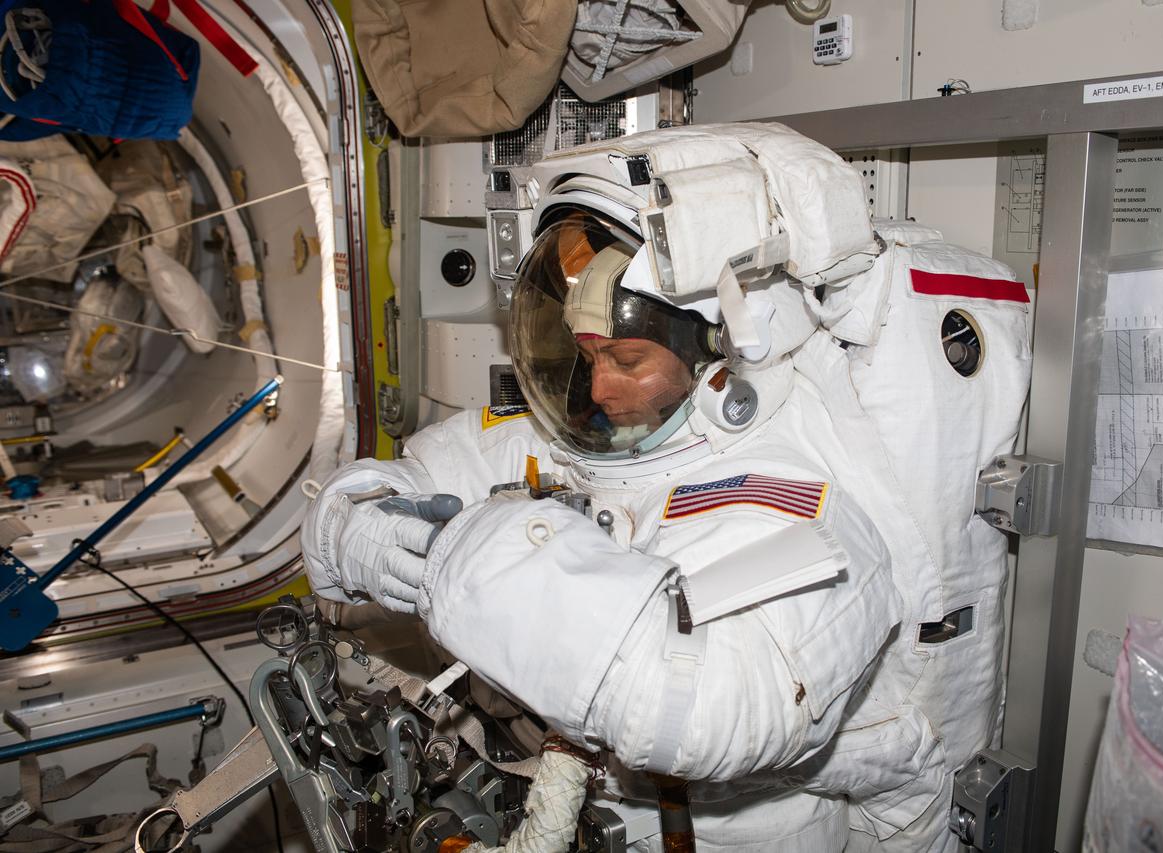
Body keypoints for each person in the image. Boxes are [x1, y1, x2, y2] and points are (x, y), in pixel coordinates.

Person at [302, 123, 983, 851]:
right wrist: (351, 529)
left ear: (716, 354)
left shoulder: (799, 489)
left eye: (627, 358)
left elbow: (717, 708)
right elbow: (379, 488)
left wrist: (480, 562)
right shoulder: (559, 438)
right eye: (587, 352)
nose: (597, 385)